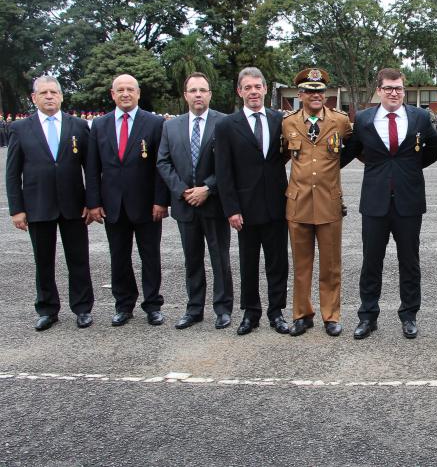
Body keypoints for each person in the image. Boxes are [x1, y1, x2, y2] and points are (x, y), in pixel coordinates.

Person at [346, 68, 437, 340]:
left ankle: (409, 315)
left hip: (409, 201)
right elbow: (351, 152)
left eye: (398, 88)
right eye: (388, 88)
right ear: (379, 90)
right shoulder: (364, 119)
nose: (394, 92)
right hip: (374, 201)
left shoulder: (420, 117)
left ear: (404, 90)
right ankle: (368, 316)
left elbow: (435, 148)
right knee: (371, 262)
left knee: (409, 262)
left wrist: (410, 168)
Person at [6, 76, 94, 330]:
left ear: (61, 96)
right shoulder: (21, 128)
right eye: (43, 93)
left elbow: (89, 167)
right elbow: (12, 173)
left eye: (53, 92)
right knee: (43, 260)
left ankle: (82, 308)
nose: (49, 97)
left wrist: (91, 201)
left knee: (78, 259)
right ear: (34, 98)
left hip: (73, 205)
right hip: (38, 205)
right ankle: (47, 308)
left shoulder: (78, 126)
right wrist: (17, 209)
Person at [85, 74, 169, 327]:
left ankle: (153, 305)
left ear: (138, 93)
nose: (125, 94)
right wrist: (94, 202)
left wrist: (160, 201)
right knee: (119, 257)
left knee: (150, 256)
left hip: (146, 204)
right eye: (120, 90)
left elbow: (161, 166)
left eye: (130, 89)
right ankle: (123, 304)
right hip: (113, 204)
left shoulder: (154, 124)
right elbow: (92, 168)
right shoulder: (99, 125)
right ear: (112, 94)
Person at [215, 67, 290, 336]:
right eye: (248, 87)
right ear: (240, 91)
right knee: (248, 262)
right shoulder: (226, 125)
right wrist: (231, 209)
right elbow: (223, 171)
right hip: (244, 209)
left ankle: (276, 311)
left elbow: (283, 156)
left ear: (266, 89)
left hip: (276, 205)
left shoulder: (278, 120)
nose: (254, 91)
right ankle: (251, 312)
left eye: (258, 86)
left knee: (278, 261)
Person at [156, 72, 233, 330]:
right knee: (192, 259)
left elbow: (228, 163)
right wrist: (183, 191)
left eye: (203, 90)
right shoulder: (170, 126)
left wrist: (207, 188)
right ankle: (194, 308)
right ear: (185, 95)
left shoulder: (224, 122)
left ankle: (223, 309)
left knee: (219, 258)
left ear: (210, 94)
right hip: (185, 204)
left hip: (214, 203)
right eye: (193, 90)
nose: (198, 94)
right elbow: (163, 162)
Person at [282, 68, 354, 337]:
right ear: (300, 94)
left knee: (331, 265)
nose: (316, 96)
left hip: (329, 203)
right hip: (298, 203)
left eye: (320, 91)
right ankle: (302, 315)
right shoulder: (288, 123)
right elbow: (281, 157)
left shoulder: (340, 121)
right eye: (310, 91)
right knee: (301, 266)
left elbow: (352, 149)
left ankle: (331, 315)